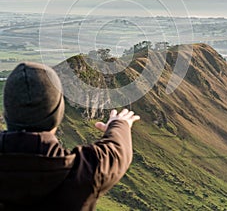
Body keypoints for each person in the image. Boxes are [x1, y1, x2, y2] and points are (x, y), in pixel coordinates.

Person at [0, 62, 140, 211]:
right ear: (57, 115)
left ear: (7, 113)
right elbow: (117, 151)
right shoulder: (84, 174)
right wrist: (119, 124)